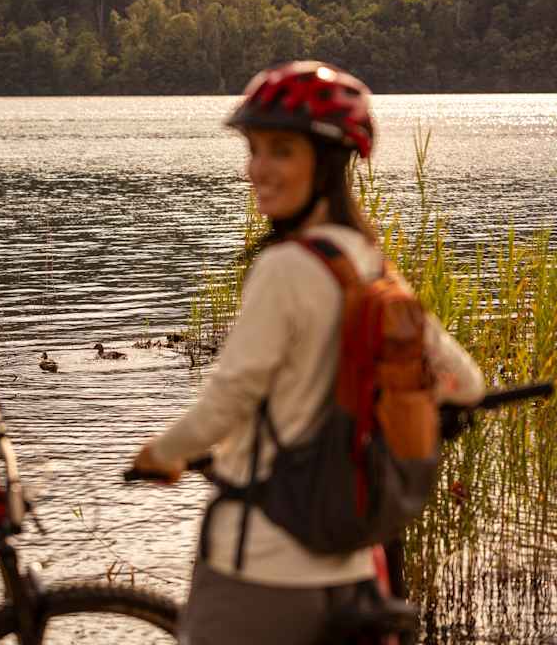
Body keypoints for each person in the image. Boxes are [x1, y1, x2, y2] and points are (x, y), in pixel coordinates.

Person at [132, 61, 484, 645]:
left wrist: (163, 452)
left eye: (282, 151)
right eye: (254, 149)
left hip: (262, 567)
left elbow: (231, 395)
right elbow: (465, 383)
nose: (258, 169)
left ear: (326, 163)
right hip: (351, 569)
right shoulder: (367, 263)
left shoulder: (286, 267)